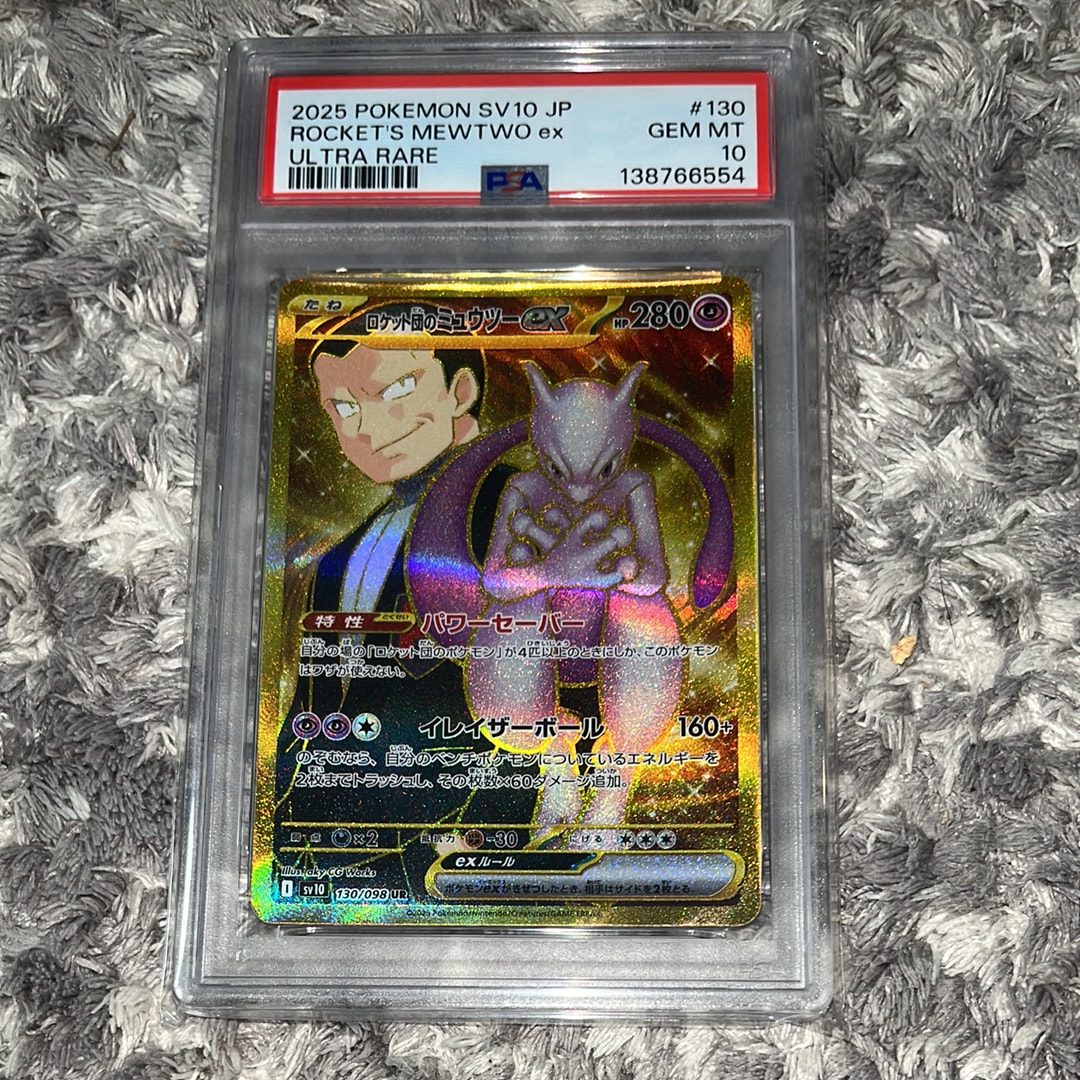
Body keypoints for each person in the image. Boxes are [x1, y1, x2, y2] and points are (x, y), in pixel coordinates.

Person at [274, 310, 536, 903]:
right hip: (335, 855)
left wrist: (491, 837)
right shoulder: (339, 558)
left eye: (395, 391)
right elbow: (312, 706)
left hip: (464, 846)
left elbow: (542, 688)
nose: (367, 427)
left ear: (460, 391)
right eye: (344, 408)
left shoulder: (515, 509)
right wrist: (284, 828)